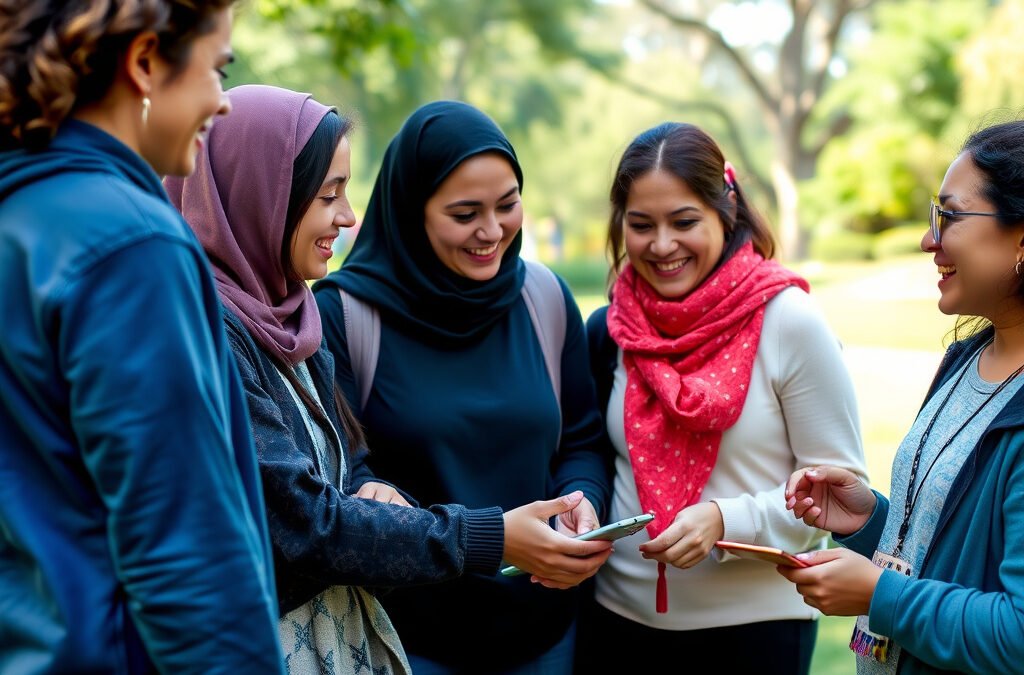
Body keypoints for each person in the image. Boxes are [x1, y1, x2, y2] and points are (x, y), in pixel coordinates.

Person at [165, 85, 614, 675]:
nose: (348, 216)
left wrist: (580, 506)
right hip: (374, 636)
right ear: (262, 196)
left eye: (507, 204)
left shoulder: (286, 318)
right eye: (328, 195)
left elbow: (337, 458)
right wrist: (488, 537)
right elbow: (303, 519)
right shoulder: (230, 332)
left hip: (530, 630)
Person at [0, 2, 284, 673]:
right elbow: (186, 554)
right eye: (220, 68)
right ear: (146, 61)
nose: (224, 103)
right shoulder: (130, 243)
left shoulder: (22, 216)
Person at [311, 100, 612, 673]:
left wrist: (583, 505)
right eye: (465, 213)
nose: (492, 231)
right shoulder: (343, 316)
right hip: (410, 642)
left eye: (508, 205)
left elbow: (582, 439)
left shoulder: (543, 299)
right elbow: (342, 469)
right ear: (410, 210)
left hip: (544, 634)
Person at [577, 122, 867, 674]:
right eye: (641, 225)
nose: (662, 245)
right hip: (613, 624)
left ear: (725, 210)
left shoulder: (789, 321)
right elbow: (596, 457)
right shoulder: (611, 328)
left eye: (684, 222)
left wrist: (725, 518)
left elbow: (835, 493)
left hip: (754, 633)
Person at [781, 119, 1024, 675]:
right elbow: (951, 552)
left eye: (950, 216)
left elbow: (1018, 635)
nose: (927, 239)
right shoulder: (966, 358)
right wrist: (870, 521)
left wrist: (879, 597)